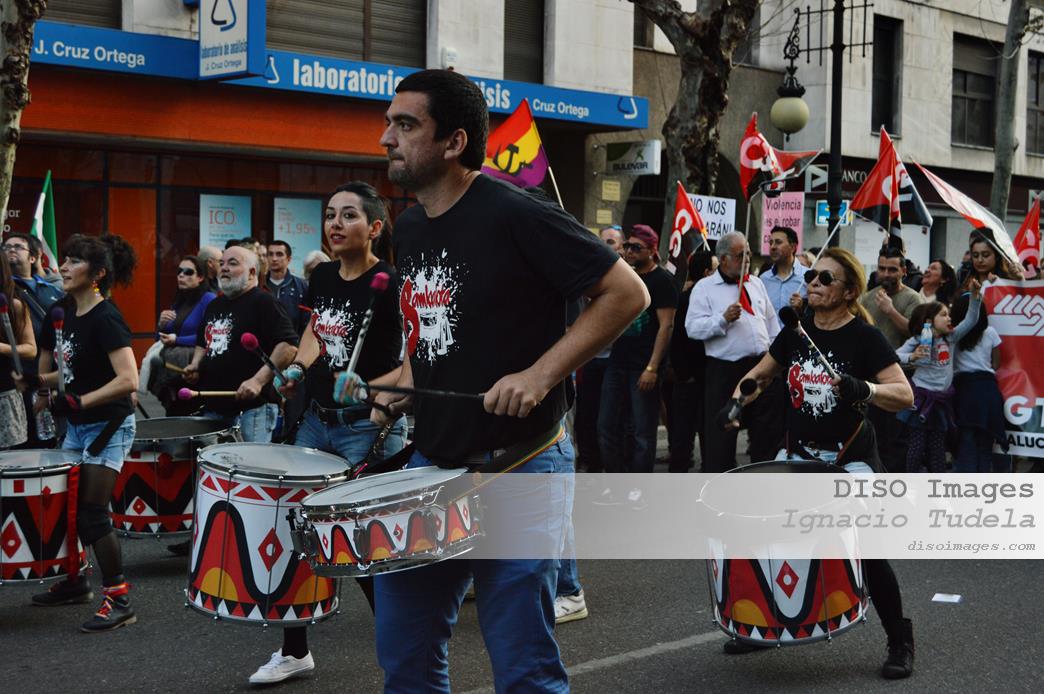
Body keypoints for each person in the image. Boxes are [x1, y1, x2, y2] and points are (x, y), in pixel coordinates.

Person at [357, 68, 647, 693]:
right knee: (404, 655)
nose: (387, 138)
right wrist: (400, 385)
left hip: (522, 463)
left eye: (405, 125)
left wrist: (539, 375)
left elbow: (627, 293)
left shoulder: (518, 211)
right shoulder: (410, 227)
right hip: (434, 465)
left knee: (523, 669)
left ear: (454, 141)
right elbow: (436, 332)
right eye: (388, 123)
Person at [726, 247, 915, 679]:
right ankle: (762, 626)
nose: (813, 282)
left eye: (826, 278)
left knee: (867, 551)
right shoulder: (797, 332)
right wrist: (736, 402)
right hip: (801, 455)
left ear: (849, 292)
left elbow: (904, 395)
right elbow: (760, 374)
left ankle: (900, 641)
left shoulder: (865, 338)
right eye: (812, 275)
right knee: (769, 538)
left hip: (851, 458)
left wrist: (864, 388)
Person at [248, 183, 407, 686]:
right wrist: (298, 367)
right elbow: (317, 332)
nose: (335, 224)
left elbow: (417, 357)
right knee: (298, 534)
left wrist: (380, 396)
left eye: (349, 216)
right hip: (315, 421)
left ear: (374, 228)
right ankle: (294, 651)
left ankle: (409, 658)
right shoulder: (321, 276)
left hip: (365, 426)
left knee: (367, 547)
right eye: (331, 215)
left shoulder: (392, 283)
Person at [26, 234, 140, 633]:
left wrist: (81, 401)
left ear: (98, 273)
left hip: (109, 424)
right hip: (77, 424)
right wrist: (40, 384)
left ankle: (119, 599)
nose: (64, 266)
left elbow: (129, 379)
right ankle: (76, 582)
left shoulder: (106, 318)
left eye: (75, 261)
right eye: (65, 259)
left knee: (92, 512)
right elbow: (65, 369)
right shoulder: (63, 312)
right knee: (69, 507)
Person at [685, 230, 782, 471]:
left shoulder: (756, 283)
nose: (747, 259)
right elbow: (692, 328)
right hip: (726, 370)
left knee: (766, 429)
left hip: (761, 366)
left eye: (749, 253)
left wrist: (776, 357)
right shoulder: (705, 288)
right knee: (723, 432)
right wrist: (722, 319)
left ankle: (764, 475)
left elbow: (771, 323)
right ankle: (721, 479)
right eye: (741, 255)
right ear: (724, 258)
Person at [183, 246, 298, 443]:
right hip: (214, 408)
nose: (224, 268)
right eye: (221, 263)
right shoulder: (215, 305)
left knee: (250, 462)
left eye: (232, 263)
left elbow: (288, 346)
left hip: (252, 411)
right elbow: (203, 341)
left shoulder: (264, 302)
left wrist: (257, 381)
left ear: (252, 272)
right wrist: (195, 364)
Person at [597, 224, 677, 503]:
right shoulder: (625, 276)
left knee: (643, 430)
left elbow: (666, 326)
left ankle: (639, 486)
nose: (629, 251)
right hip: (617, 362)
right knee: (607, 425)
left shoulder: (662, 281)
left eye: (636, 247)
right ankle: (615, 481)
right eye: (627, 246)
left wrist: (652, 368)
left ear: (652, 250)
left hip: (643, 366)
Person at [895, 282, 984, 473]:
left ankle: (937, 483)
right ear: (929, 320)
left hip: (941, 401)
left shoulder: (950, 338)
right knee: (917, 447)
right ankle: (911, 480)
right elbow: (894, 356)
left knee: (938, 448)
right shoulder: (918, 339)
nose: (949, 318)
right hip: (921, 399)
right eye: (943, 315)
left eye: (948, 314)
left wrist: (975, 297)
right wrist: (912, 356)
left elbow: (971, 320)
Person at [5, 233, 64, 447]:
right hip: (17, 380)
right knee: (21, 444)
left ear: (33, 257)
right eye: (6, 247)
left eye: (18, 246)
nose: (11, 249)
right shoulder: (5, 292)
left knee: (51, 444)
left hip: (53, 377)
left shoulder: (54, 291)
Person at [667, 249, 716, 473]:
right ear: (706, 273)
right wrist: (684, 374)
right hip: (690, 379)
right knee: (683, 434)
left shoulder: (713, 298)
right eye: (716, 269)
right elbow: (677, 338)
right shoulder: (688, 299)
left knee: (710, 433)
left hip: (709, 377)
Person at [951, 289, 1011, 472]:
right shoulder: (990, 332)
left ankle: (966, 486)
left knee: (966, 443)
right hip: (988, 391)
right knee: (986, 445)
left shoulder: (953, 335)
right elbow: (996, 363)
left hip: (964, 391)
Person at [149, 256, 216, 416]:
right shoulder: (179, 301)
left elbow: (210, 336)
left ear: (200, 277)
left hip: (194, 369)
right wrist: (161, 325)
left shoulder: (209, 299)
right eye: (179, 271)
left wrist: (177, 340)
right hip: (173, 370)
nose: (181, 275)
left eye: (188, 272)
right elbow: (160, 339)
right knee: (174, 415)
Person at [0, 252, 37, 448]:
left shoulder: (13, 304)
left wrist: (2, 347)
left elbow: (30, 349)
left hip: (4, 394)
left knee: (9, 459)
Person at [859, 246, 924, 349]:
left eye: (892, 270)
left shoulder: (913, 298)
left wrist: (890, 310)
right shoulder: (868, 297)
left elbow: (915, 332)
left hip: (900, 359)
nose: (886, 274)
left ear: (903, 271)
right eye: (882, 269)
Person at [760, 226, 807, 314]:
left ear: (793, 247)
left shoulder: (807, 277)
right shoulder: (763, 279)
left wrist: (802, 308)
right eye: (771, 243)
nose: (773, 247)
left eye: (778, 242)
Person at [266, 240, 310, 334]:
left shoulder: (301, 286)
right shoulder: (259, 284)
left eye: (279, 254)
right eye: (270, 254)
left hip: (294, 340)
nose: (274, 258)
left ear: (289, 259)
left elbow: (307, 322)